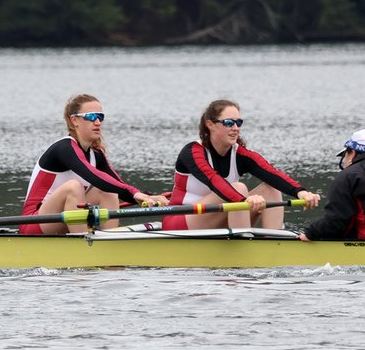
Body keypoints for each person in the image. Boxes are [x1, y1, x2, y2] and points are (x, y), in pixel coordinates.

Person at [162, 98, 319, 230]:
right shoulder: (193, 152)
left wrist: (301, 192)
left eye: (239, 122)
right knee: (239, 188)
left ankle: (274, 242)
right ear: (210, 125)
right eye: (229, 123)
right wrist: (243, 200)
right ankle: (243, 244)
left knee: (270, 189)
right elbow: (213, 180)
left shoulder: (240, 154)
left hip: (221, 215)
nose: (236, 128)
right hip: (181, 221)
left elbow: (272, 173)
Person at [21, 94, 167, 235]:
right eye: (91, 117)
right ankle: (85, 245)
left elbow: (116, 183)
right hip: (35, 221)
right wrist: (134, 193)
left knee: (109, 190)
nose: (97, 122)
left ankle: (108, 239)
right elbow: (94, 177)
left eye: (100, 117)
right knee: (74, 187)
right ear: (74, 121)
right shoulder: (64, 148)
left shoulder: (95, 153)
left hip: (63, 217)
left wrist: (149, 198)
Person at [299, 130, 365, 241]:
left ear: (352, 153)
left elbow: (338, 222)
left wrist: (310, 233)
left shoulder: (349, 176)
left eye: (345, 154)